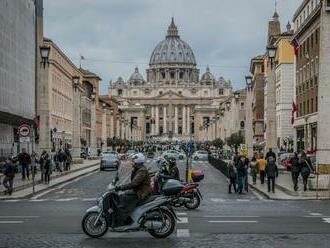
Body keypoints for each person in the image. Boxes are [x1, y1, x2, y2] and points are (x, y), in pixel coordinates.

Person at [114, 153, 151, 225]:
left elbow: (134, 183)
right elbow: (128, 178)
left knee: (124, 199)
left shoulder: (141, 170)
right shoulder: (138, 169)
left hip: (141, 193)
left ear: (137, 161)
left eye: (133, 160)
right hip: (138, 190)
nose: (132, 162)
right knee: (124, 195)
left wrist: (121, 187)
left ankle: (125, 219)